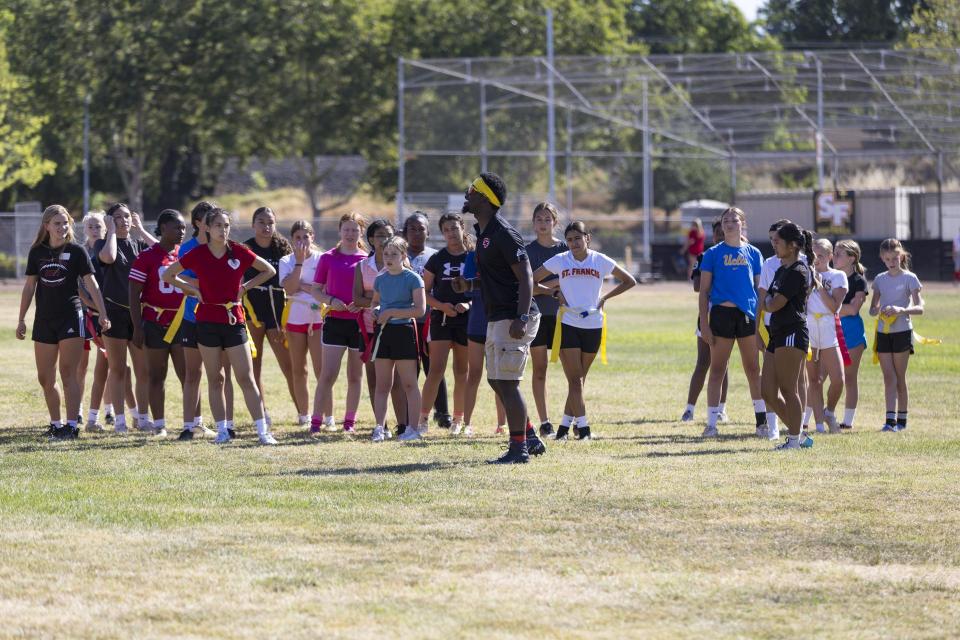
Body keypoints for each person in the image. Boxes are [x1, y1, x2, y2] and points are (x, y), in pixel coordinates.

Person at [162, 207, 279, 445]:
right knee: (216, 379)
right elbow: (168, 275)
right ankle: (223, 431)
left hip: (234, 319)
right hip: (206, 321)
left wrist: (245, 287)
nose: (223, 230)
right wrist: (193, 289)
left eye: (226, 226)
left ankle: (262, 432)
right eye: (217, 226)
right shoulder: (198, 254)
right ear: (206, 228)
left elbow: (269, 270)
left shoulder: (238, 251)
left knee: (246, 378)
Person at [453, 172, 546, 464]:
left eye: (472, 190)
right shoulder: (484, 234)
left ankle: (518, 449)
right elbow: (498, 279)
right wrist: (469, 286)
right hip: (498, 315)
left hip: (514, 317)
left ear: (485, 198)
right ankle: (528, 435)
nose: (467, 194)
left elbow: (526, 276)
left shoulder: (503, 233)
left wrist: (520, 316)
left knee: (508, 382)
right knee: (497, 380)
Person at [533, 220, 636, 440]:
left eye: (577, 238)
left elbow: (630, 281)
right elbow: (531, 280)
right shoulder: (561, 260)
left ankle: (562, 429)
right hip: (568, 324)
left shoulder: (600, 260)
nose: (573, 243)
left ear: (587, 238)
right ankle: (585, 430)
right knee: (575, 380)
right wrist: (552, 292)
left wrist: (605, 298)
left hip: (594, 325)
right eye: (569, 240)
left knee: (579, 379)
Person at [17, 205, 111, 439]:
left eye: (65, 222)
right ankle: (56, 424)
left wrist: (103, 313)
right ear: (46, 226)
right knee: (45, 377)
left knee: (68, 373)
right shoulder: (37, 252)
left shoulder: (77, 252)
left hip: (71, 317)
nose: (62, 227)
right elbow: (30, 286)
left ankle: (71, 425)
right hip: (44, 321)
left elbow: (92, 285)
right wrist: (21, 319)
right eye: (57, 223)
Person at [698, 207, 767, 438]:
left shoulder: (754, 253)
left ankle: (761, 422)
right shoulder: (712, 254)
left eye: (734, 220)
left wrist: (760, 323)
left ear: (742, 223)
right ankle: (711, 424)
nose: (729, 224)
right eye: (726, 220)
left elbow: (760, 291)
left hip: (747, 315)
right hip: (721, 315)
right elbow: (704, 291)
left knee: (753, 369)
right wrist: (705, 325)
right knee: (717, 369)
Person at [96, 203, 156, 433]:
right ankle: (120, 421)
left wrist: (140, 229)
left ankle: (142, 419)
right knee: (118, 369)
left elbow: (163, 251)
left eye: (127, 216)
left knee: (143, 371)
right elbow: (109, 258)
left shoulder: (139, 244)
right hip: (114, 313)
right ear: (110, 221)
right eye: (118, 217)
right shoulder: (105, 242)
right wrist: (111, 230)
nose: (124, 220)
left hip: (137, 313)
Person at [128, 209, 188, 438]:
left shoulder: (185, 255)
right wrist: (137, 327)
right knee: (156, 375)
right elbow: (133, 294)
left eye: (183, 227)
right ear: (163, 228)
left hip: (182, 322)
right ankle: (160, 425)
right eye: (177, 227)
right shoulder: (147, 257)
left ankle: (193, 423)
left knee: (189, 375)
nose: (182, 232)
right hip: (154, 323)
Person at [173, 202, 227, 440]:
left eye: (219, 222)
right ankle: (189, 426)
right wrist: (207, 284)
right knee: (192, 373)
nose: (215, 226)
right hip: (192, 317)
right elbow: (182, 277)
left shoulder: (225, 248)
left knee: (219, 375)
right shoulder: (188, 249)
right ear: (199, 223)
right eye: (210, 221)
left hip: (220, 319)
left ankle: (225, 426)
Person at [311, 212, 367, 434]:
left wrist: (362, 305)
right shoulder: (327, 258)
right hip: (334, 322)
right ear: (340, 231)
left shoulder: (366, 260)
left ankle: (349, 423)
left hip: (358, 324)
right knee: (327, 375)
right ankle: (316, 422)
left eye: (355, 230)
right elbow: (316, 290)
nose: (351, 234)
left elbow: (373, 293)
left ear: (361, 232)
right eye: (347, 229)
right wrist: (331, 301)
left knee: (355, 376)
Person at [243, 207, 299, 423]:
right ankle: (262, 412)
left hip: (278, 312)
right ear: (253, 224)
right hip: (253, 312)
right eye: (261, 222)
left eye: (270, 222)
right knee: (254, 365)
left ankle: (302, 411)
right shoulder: (246, 248)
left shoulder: (283, 247)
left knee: (289, 365)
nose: (266, 227)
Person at [418, 213, 472, 434]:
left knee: (462, 371)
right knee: (436, 370)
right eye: (447, 229)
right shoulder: (437, 259)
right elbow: (424, 291)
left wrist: (467, 305)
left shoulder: (473, 257)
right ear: (442, 233)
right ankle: (422, 421)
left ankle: (459, 421)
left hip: (467, 320)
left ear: (462, 228)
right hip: (441, 319)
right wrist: (441, 306)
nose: (451, 232)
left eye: (454, 228)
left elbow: (481, 288)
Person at [763, 222, 815, 450]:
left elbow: (773, 303)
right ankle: (797, 435)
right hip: (776, 333)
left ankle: (794, 439)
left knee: (788, 388)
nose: (774, 245)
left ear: (792, 246)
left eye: (779, 242)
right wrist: (767, 302)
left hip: (792, 332)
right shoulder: (781, 269)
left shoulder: (799, 271)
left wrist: (765, 302)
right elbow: (769, 301)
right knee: (767, 392)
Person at [370, 237, 426, 442]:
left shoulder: (413, 278)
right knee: (382, 384)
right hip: (384, 334)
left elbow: (420, 310)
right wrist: (376, 311)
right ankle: (379, 427)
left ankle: (413, 429)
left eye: (394, 254)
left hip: (404, 332)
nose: (389, 258)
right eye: (386, 254)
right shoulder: (380, 279)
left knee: (409, 384)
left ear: (403, 256)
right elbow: (375, 302)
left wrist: (392, 311)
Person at [354, 218, 404, 435]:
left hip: (399, 327)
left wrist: (375, 300)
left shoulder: (404, 265)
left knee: (399, 381)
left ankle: (403, 424)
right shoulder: (362, 266)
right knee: (375, 379)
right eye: (380, 236)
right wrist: (376, 302)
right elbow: (357, 299)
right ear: (371, 239)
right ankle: (380, 425)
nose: (384, 240)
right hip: (370, 330)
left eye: (388, 235)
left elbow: (406, 297)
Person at [869, 238, 925, 432]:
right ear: (882, 259)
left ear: (901, 256)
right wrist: (879, 310)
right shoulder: (879, 279)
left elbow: (919, 308)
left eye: (895, 258)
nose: (892, 262)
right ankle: (889, 420)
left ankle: (902, 420)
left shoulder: (910, 278)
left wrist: (900, 310)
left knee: (900, 376)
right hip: (883, 332)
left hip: (902, 331)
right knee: (888, 377)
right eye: (887, 259)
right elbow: (872, 309)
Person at [279, 220, 330, 430]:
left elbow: (325, 289)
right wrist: (299, 264)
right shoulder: (286, 261)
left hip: (318, 318)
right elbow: (290, 289)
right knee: (299, 370)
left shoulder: (323, 259)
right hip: (295, 318)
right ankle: (304, 415)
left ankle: (328, 416)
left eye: (305, 237)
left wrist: (303, 286)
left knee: (322, 370)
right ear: (292, 240)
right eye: (297, 238)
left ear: (313, 237)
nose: (302, 242)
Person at [402, 211, 451, 430]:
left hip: (431, 321)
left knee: (435, 369)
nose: (416, 232)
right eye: (411, 228)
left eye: (421, 228)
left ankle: (442, 413)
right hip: (406, 322)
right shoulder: (398, 255)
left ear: (428, 232)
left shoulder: (435, 256)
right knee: (409, 371)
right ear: (405, 232)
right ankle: (407, 414)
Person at [681, 218, 729, 424]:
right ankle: (689, 409)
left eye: (724, 232)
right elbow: (697, 286)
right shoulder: (705, 256)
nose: (721, 236)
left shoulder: (739, 256)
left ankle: (721, 409)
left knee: (723, 365)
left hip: (730, 315)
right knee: (703, 363)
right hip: (708, 313)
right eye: (718, 233)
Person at [526, 202, 567, 437]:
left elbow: (571, 280)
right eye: (539, 219)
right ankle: (545, 422)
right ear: (533, 223)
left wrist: (546, 286)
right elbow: (527, 287)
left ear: (555, 223)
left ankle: (569, 420)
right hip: (537, 316)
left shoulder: (565, 248)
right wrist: (553, 285)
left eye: (547, 219)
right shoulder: (528, 251)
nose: (543, 224)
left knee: (573, 371)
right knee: (539, 370)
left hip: (563, 316)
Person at [461, 249, 506, 436]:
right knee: (474, 374)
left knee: (500, 376)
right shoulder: (472, 257)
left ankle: (502, 424)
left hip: (499, 323)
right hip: (477, 324)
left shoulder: (504, 255)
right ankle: (467, 423)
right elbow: (467, 289)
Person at [805, 239, 847, 435]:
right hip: (809, 327)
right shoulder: (805, 273)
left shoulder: (838, 276)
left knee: (838, 379)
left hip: (828, 328)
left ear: (830, 256)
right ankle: (819, 425)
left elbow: (834, 307)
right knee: (814, 379)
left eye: (821, 256)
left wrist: (819, 285)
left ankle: (829, 411)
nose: (817, 260)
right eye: (813, 256)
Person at [834, 240, 868, 431]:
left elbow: (854, 309)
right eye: (834, 253)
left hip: (852, 333)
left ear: (851, 258)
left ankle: (847, 421)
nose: (834, 257)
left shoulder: (859, 281)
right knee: (821, 376)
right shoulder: (830, 277)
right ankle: (817, 417)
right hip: (829, 329)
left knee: (849, 377)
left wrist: (832, 307)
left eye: (839, 254)